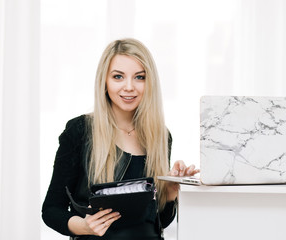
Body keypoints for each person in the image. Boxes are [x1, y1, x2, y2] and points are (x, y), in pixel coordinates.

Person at [42, 38, 199, 240]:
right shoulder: (79, 131)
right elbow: (51, 210)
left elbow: (158, 222)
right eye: (118, 77)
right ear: (104, 81)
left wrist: (168, 195)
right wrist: (86, 226)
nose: (129, 87)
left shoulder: (161, 135)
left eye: (139, 77)